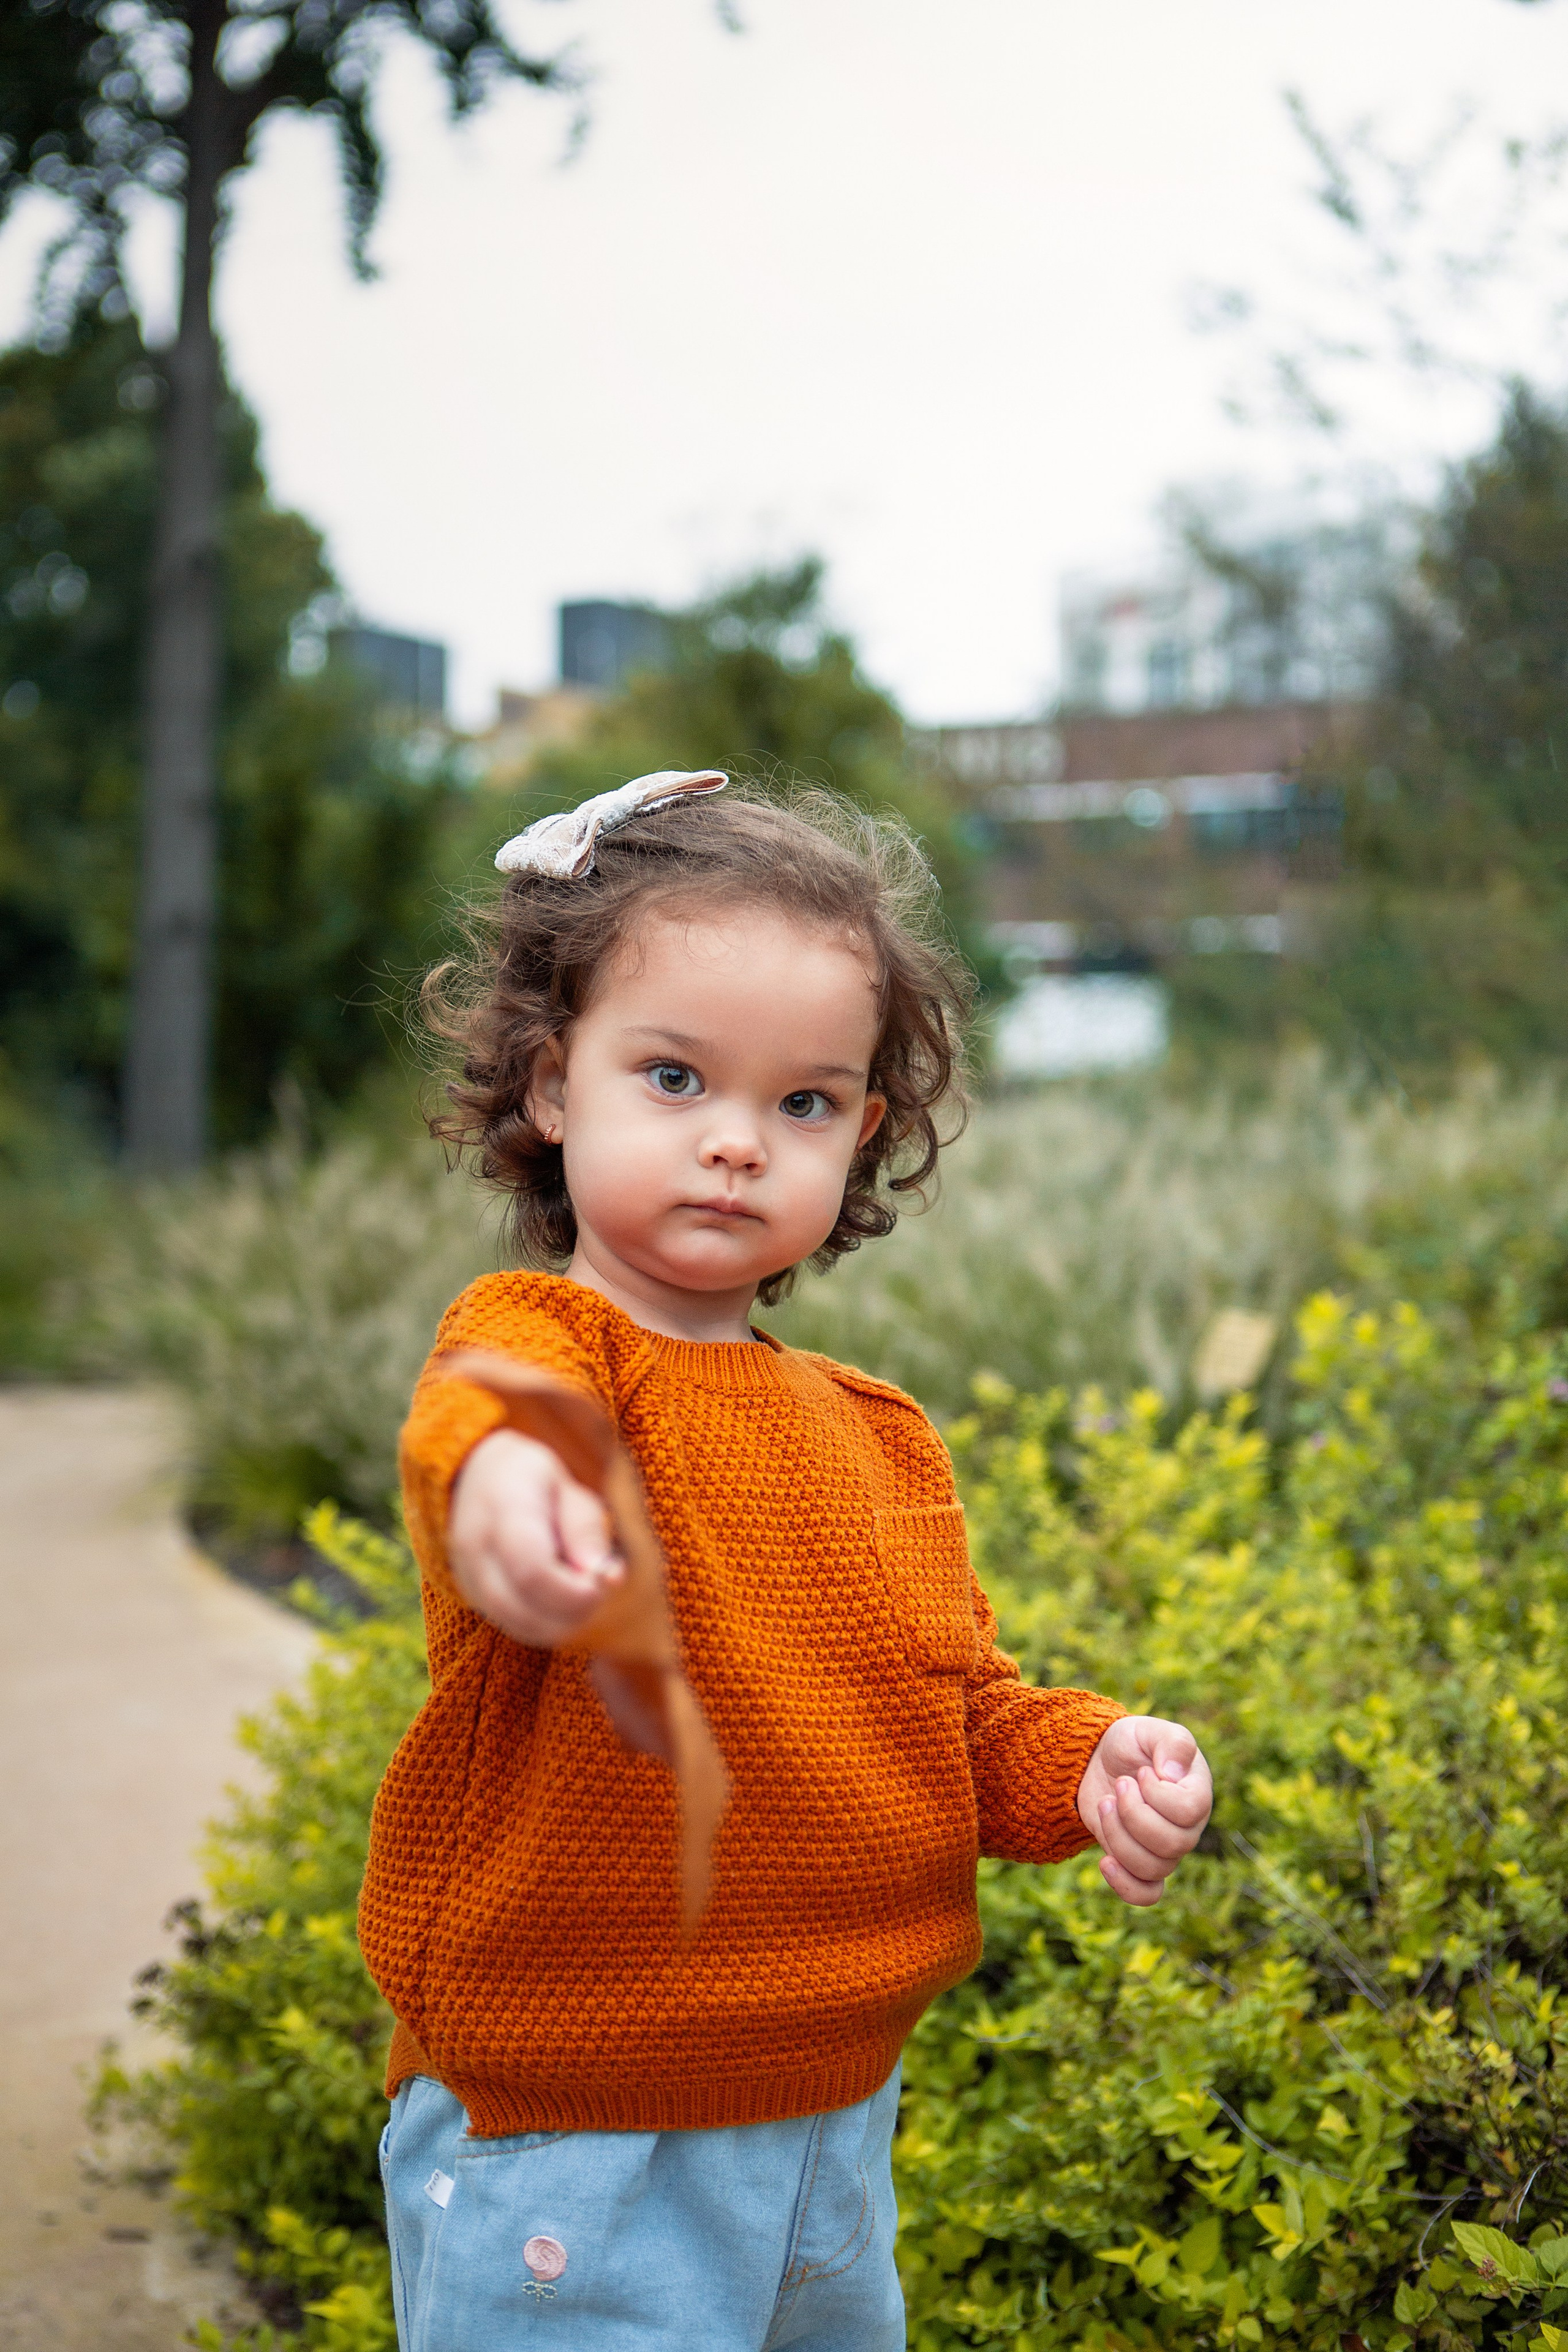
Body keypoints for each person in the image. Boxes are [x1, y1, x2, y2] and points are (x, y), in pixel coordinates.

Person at [359, 772, 1213, 2352]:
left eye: (804, 1104)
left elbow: (955, 1718)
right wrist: (510, 1502)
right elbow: (487, 1427)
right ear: (553, 1087)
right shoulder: (544, 1341)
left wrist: (1091, 1760)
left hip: (833, 2128)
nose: (737, 1144)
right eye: (674, 1077)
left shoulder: (879, 1433)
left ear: (864, 1131)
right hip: (573, 2135)